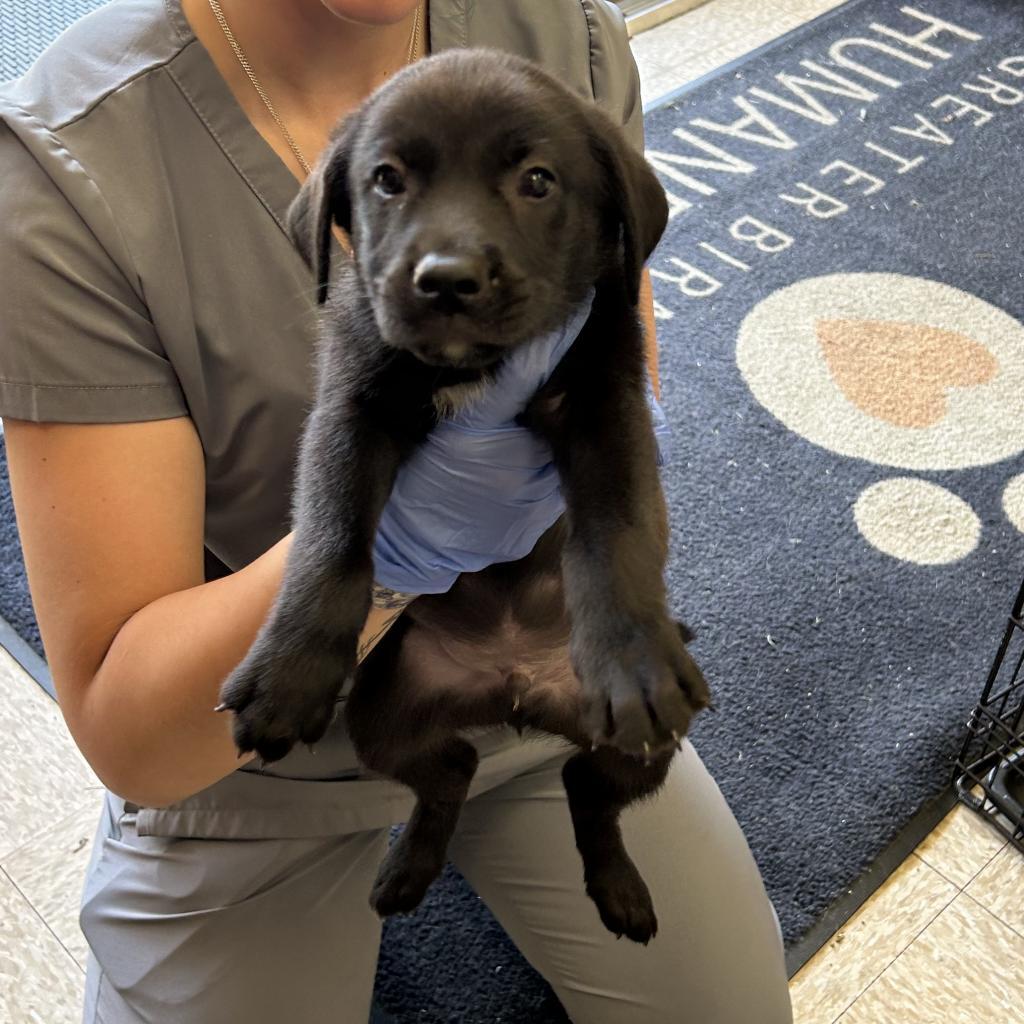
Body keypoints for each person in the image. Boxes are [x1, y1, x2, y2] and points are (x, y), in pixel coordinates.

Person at [0, 1, 793, 1021]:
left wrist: (613, 587)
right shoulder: (71, 170)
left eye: (531, 183)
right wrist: (395, 551)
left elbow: (617, 377)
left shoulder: (560, 32)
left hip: (545, 664)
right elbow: (137, 738)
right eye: (393, 183)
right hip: (251, 748)